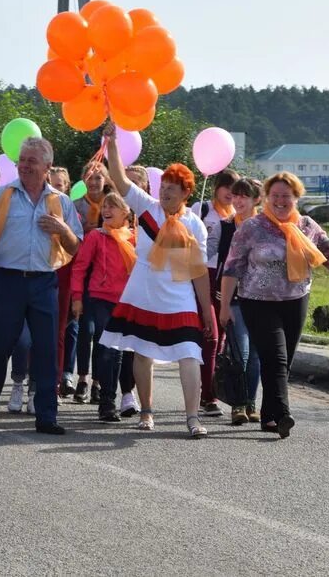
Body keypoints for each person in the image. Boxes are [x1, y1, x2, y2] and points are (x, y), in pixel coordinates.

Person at [219, 172, 329, 439]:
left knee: (282, 361)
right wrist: (224, 308)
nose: (279, 201)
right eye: (275, 196)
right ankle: (283, 415)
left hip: (296, 300)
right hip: (257, 302)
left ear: (296, 198)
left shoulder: (308, 226)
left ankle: (268, 415)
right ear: (266, 197)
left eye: (285, 197)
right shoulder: (251, 228)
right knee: (276, 358)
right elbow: (232, 269)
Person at [101, 124, 216, 438]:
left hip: (179, 296)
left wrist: (207, 311)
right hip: (144, 291)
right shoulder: (147, 207)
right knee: (142, 350)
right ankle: (147, 411)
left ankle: (192, 418)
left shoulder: (195, 225)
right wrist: (111, 144)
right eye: (163, 185)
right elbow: (120, 179)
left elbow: (199, 271)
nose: (165, 191)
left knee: (190, 353)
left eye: (173, 188)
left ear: (185, 194)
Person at [0, 137, 83, 435]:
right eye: (22, 160)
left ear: (47, 166)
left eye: (32, 161)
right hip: (7, 281)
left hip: (44, 283)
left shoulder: (62, 203)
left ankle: (46, 415)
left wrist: (63, 229)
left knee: (47, 350)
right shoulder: (0, 196)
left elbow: (76, 248)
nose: (24, 165)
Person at [70, 191, 137, 421]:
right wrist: (77, 297)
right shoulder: (96, 237)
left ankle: (109, 398)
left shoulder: (134, 238)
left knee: (117, 351)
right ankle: (107, 403)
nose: (106, 210)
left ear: (125, 212)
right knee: (109, 349)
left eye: (113, 206)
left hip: (127, 301)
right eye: (105, 206)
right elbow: (80, 267)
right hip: (100, 299)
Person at [213, 178, 263, 425]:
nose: (239, 201)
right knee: (239, 353)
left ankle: (251, 403)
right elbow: (207, 252)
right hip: (233, 298)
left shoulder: (266, 227)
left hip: (261, 298)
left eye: (245, 196)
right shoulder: (224, 226)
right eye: (236, 195)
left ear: (257, 200)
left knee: (255, 355)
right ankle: (238, 404)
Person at [190, 168, 239, 418]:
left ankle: (208, 390)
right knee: (210, 334)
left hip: (226, 279)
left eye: (235, 189)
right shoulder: (202, 208)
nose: (230, 193)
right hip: (201, 276)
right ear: (216, 187)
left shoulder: (238, 215)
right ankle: (208, 397)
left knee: (220, 338)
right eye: (226, 187)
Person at [71, 160, 115, 404]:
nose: (94, 181)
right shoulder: (76, 205)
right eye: (90, 176)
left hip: (107, 277)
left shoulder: (113, 206)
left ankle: (98, 381)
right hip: (84, 272)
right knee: (84, 330)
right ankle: (82, 378)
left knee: (101, 332)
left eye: (99, 177)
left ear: (106, 180)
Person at [48, 166, 80, 398]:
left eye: (59, 185)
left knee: (58, 331)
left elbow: (77, 249)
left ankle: (56, 383)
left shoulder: (70, 211)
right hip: (41, 271)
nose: (54, 189)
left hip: (64, 274)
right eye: (52, 184)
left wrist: (62, 229)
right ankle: (30, 380)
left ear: (67, 187)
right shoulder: (40, 204)